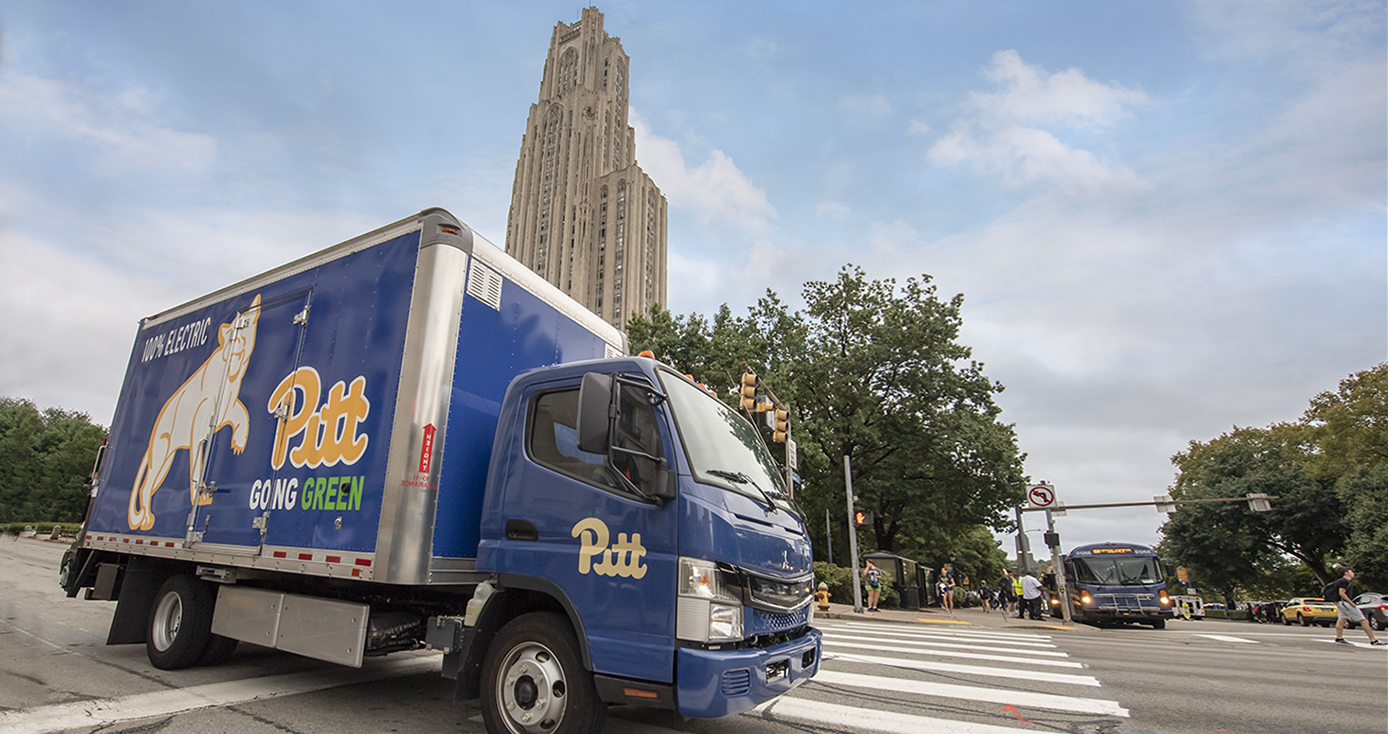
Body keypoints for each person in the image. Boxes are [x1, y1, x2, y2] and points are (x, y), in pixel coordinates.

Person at [1326, 566, 1386, 646]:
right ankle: (1373, 640)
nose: (1353, 573)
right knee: (1363, 621)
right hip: (1345, 603)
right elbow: (1341, 593)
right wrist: (1351, 603)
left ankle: (1339, 638)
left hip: (1340, 603)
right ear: (1346, 573)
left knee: (1342, 619)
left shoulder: (1341, 581)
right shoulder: (1345, 581)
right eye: (1351, 571)